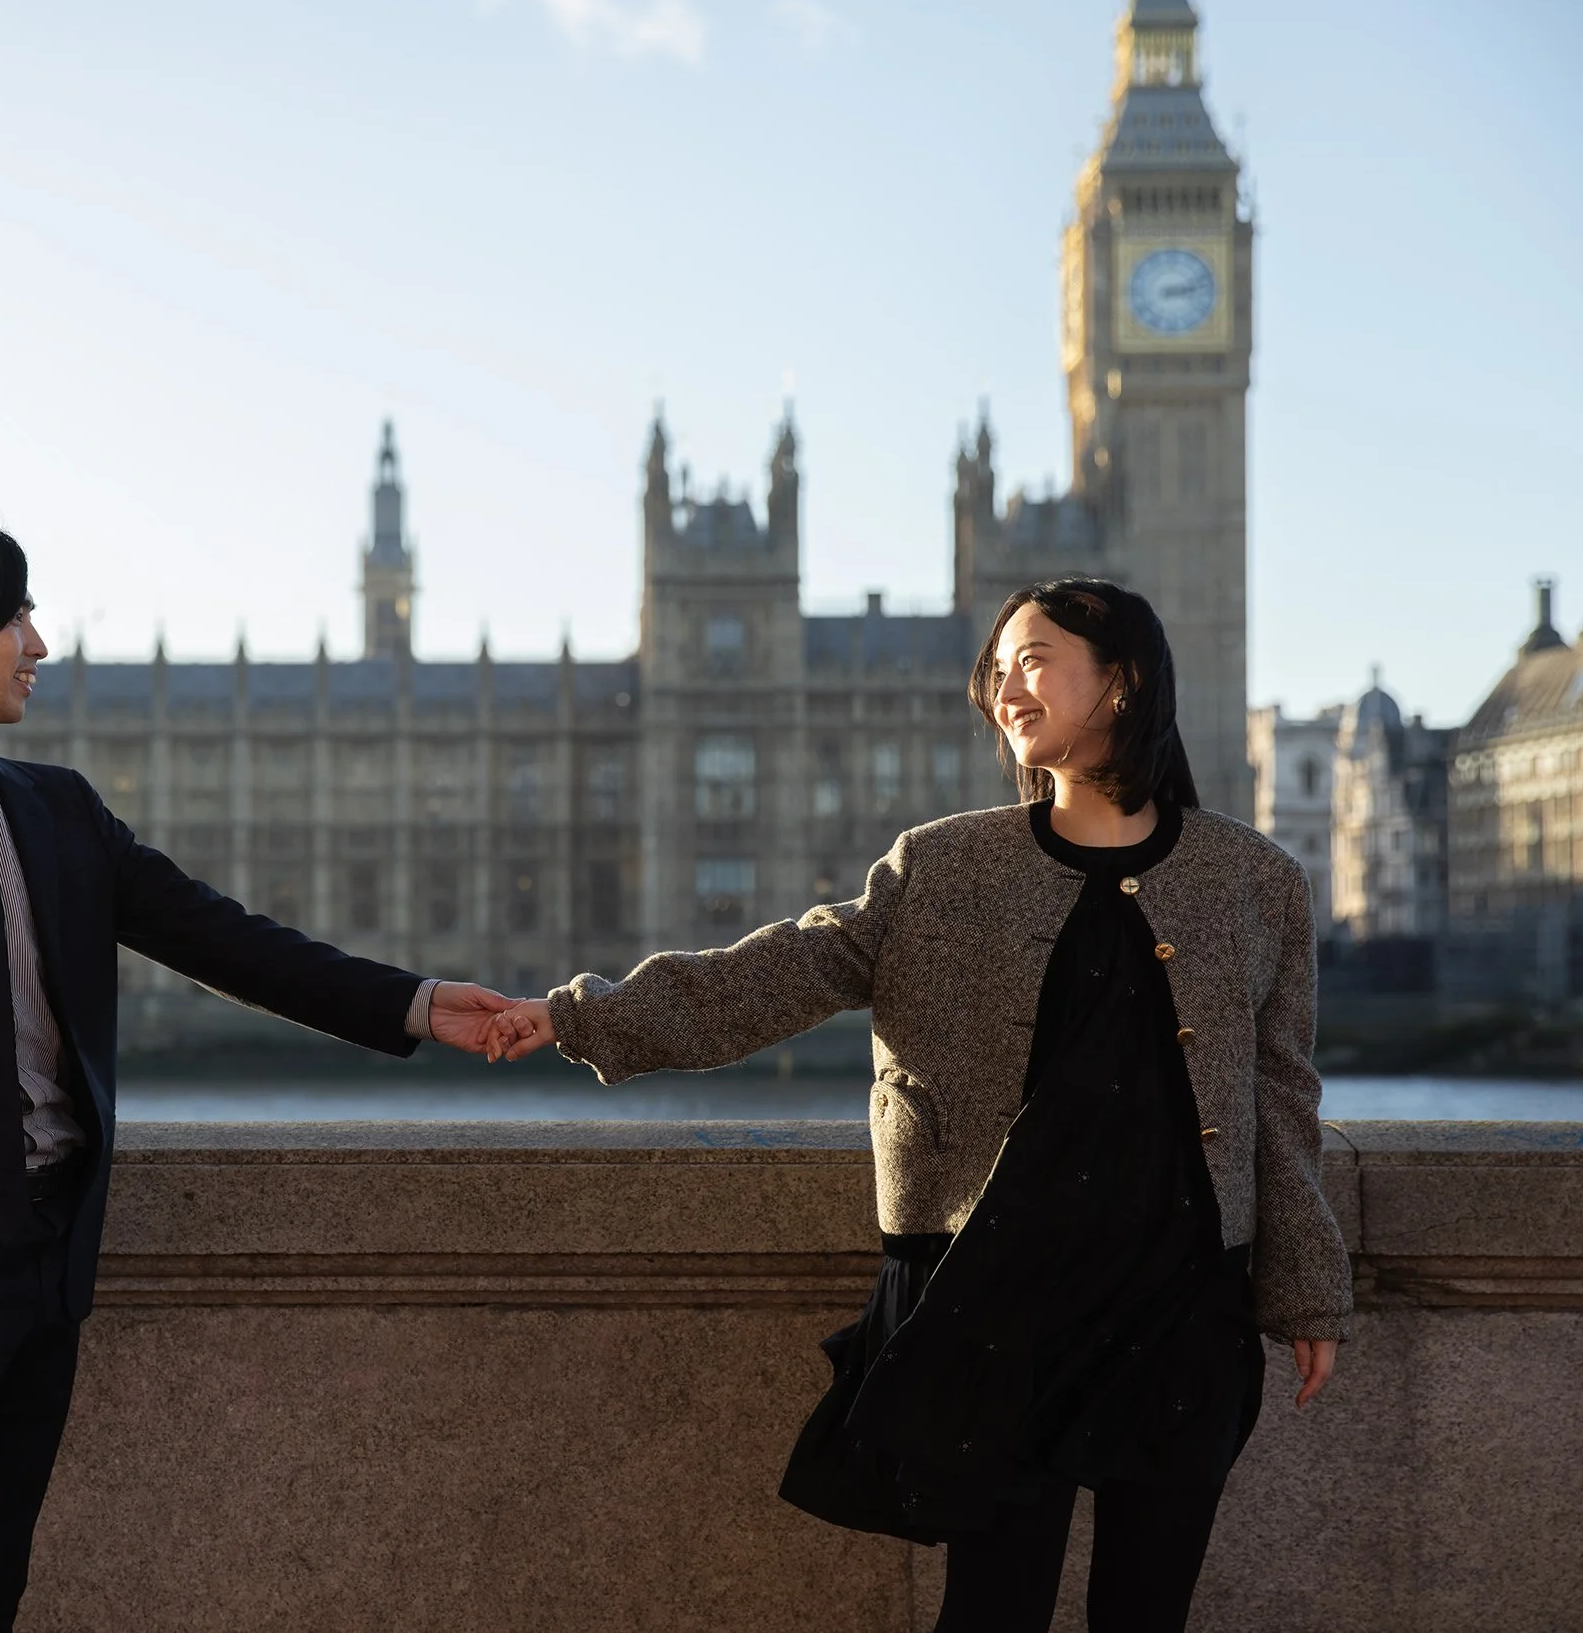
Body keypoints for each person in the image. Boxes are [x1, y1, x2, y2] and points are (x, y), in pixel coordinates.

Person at [483, 579, 1350, 1632]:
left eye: (1032, 658)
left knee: (1146, 1614)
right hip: (997, 1308)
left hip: (1180, 1312)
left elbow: (1278, 1091)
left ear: (1120, 678)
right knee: (988, 1611)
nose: (1003, 687)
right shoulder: (945, 864)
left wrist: (1305, 1287)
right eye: (996, 669)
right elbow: (779, 972)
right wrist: (577, 1017)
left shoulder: (1254, 879)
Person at [0, 505, 515, 1632]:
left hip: (47, 1255)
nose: (38, 643)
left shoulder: (59, 811)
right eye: (15, 617)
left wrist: (416, 1002)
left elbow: (224, 938)